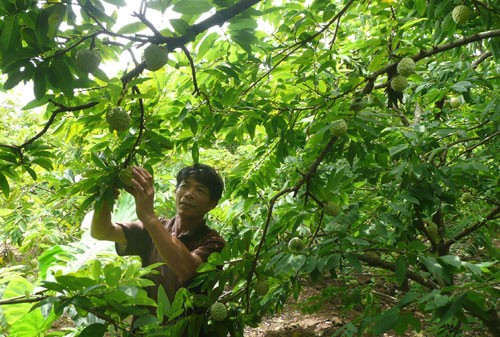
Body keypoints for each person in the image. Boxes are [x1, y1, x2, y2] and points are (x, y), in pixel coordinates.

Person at [90, 163, 226, 307]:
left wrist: (149, 216)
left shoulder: (213, 243)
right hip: (145, 327)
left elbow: (187, 270)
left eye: (200, 190)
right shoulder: (154, 228)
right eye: (184, 186)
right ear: (176, 192)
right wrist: (105, 197)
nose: (188, 194)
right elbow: (102, 232)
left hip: (184, 329)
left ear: (211, 204)